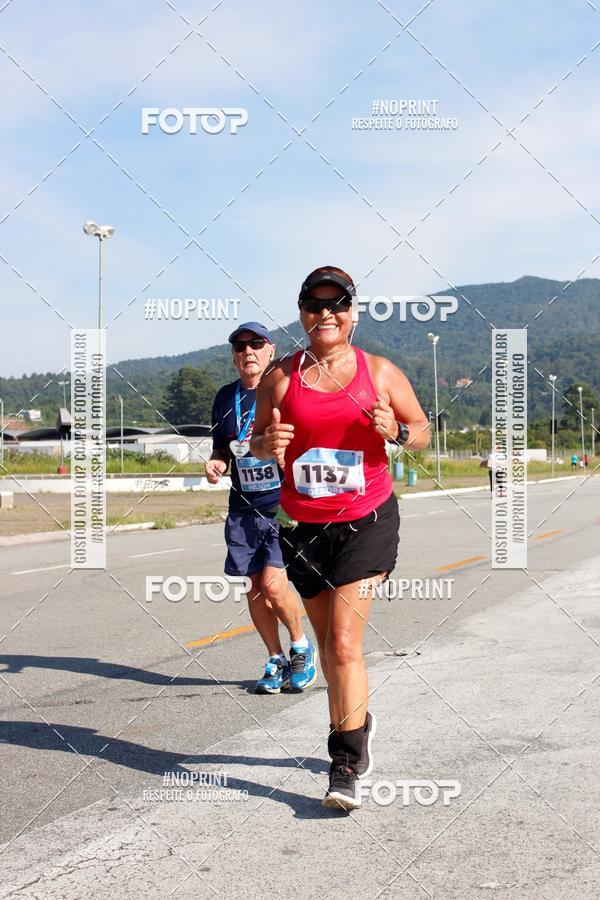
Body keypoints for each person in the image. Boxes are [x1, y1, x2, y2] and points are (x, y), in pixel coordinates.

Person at [251, 266, 430, 809]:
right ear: (302, 312)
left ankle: (345, 761)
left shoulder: (378, 372)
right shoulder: (280, 376)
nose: (324, 314)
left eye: (336, 305)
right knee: (330, 648)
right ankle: (359, 721)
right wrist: (266, 443)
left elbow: (421, 433)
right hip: (303, 527)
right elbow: (256, 442)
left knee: (344, 643)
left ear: (352, 313)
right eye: (313, 304)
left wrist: (394, 431)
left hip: (365, 521)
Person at [205, 321, 317, 694]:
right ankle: (275, 658)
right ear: (234, 356)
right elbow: (223, 445)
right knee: (253, 588)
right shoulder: (225, 397)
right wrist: (217, 461)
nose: (247, 351)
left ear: (271, 351)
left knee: (272, 582)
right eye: (240, 346)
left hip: (280, 504)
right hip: (242, 506)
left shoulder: (284, 389)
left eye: (256, 344)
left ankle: (301, 646)